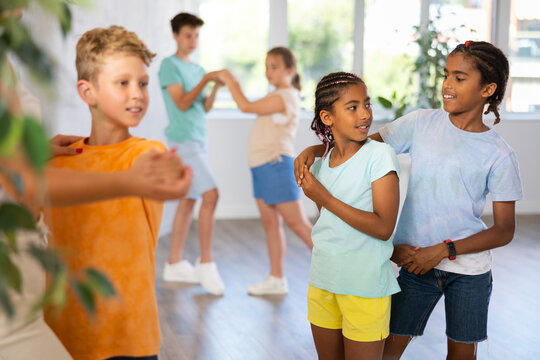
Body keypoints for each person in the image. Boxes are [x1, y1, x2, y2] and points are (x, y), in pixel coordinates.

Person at [295, 42, 523, 360]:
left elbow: (504, 231)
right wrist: (315, 150)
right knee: (386, 351)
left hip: (469, 270)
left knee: (461, 354)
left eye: (459, 78)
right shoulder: (421, 123)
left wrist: (444, 250)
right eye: (446, 75)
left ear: (488, 88)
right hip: (414, 262)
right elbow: (359, 143)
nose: (446, 84)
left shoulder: (499, 154)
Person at [43, 25, 175, 360]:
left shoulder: (147, 153)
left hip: (130, 333)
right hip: (64, 331)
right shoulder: (58, 163)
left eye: (143, 83)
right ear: (87, 92)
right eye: (123, 83)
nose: (138, 94)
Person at [298, 72, 400, 359]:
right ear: (327, 117)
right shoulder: (321, 166)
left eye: (366, 104)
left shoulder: (380, 155)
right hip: (322, 282)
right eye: (352, 107)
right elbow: (332, 224)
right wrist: (322, 192)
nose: (365, 114)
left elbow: (383, 227)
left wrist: (324, 198)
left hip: (365, 287)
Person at [217, 47, 313, 295]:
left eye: (274, 67)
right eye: (266, 66)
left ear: (290, 70)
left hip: (276, 165)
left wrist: (231, 80)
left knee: (299, 224)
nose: (268, 72)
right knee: (271, 223)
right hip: (262, 166)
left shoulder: (286, 96)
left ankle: (342, 270)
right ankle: (276, 278)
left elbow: (246, 106)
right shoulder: (279, 94)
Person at [158, 12, 225, 295]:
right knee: (211, 194)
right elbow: (183, 103)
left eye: (196, 35)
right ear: (175, 35)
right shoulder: (168, 66)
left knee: (189, 200)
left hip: (199, 140)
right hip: (182, 142)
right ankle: (206, 263)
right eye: (188, 35)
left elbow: (203, 107)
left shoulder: (198, 70)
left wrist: (213, 89)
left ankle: (173, 263)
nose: (193, 40)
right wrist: (206, 79)